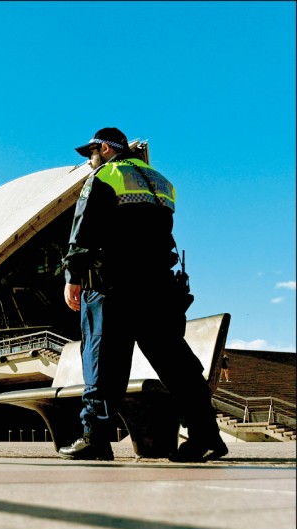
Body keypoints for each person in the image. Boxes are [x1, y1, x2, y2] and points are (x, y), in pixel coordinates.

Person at [59, 127, 228, 463]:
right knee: (176, 364)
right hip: (157, 287)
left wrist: (73, 275)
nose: (89, 160)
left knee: (103, 363)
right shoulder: (161, 182)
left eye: (91, 153)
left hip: (112, 285)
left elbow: (85, 228)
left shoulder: (105, 176)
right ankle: (206, 435)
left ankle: (96, 437)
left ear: (105, 149)